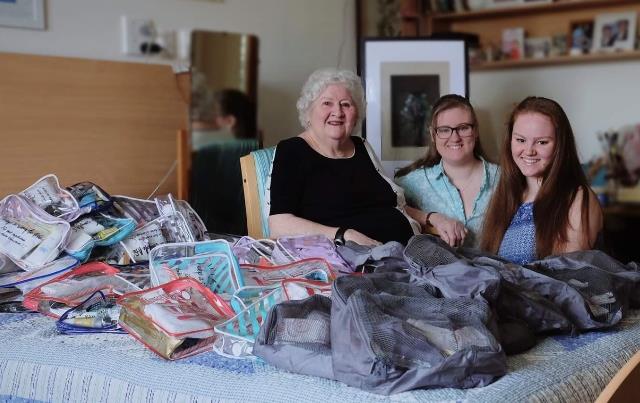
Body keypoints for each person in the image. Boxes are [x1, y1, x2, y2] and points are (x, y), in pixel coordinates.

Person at [267, 68, 419, 245]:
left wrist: (430, 217)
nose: (337, 112)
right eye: (327, 103)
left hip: (407, 250)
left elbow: (394, 205)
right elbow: (279, 224)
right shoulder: (291, 151)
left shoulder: (361, 146)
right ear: (309, 111)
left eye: (346, 104)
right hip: (347, 262)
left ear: (356, 115)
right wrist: (344, 235)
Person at [480, 96, 603, 265]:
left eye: (542, 142)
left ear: (560, 145)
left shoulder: (577, 198)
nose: (529, 151)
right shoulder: (507, 195)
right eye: (520, 140)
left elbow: (568, 279)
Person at [395, 94, 499, 248]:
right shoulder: (413, 182)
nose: (455, 137)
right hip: (439, 271)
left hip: (498, 271)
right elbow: (386, 207)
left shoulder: (504, 179)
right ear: (433, 134)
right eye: (444, 130)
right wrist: (432, 217)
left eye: (463, 128)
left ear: (476, 131)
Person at [192, 88, 258, 150]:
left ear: (230, 121)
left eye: (215, 115)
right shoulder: (251, 145)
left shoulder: (222, 142)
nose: (212, 120)